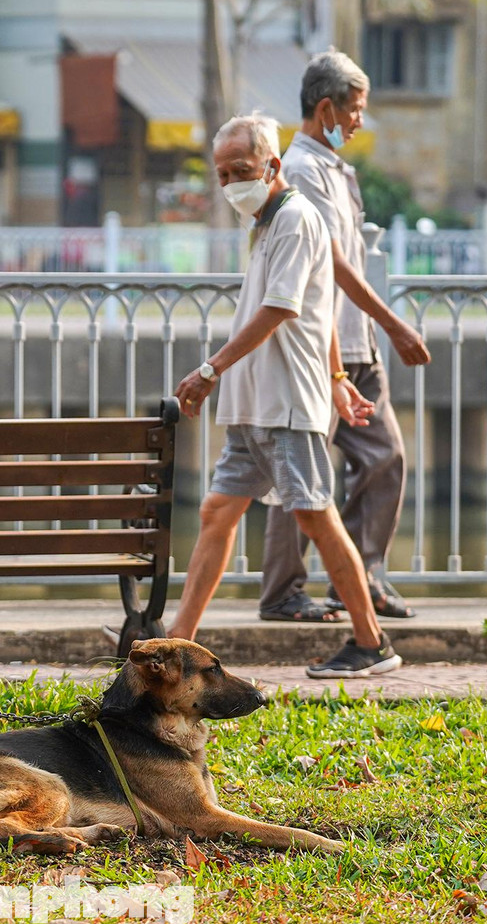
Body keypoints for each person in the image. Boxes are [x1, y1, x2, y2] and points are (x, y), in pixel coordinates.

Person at [168, 112, 402, 679]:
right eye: (222, 175)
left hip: (286, 406)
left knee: (316, 518)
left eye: (241, 170)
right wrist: (341, 381)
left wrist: (210, 368)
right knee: (217, 512)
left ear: (272, 165)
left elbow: (284, 308)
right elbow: (321, 314)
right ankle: (176, 646)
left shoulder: (295, 218)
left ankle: (372, 644)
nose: (231, 184)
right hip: (255, 408)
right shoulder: (269, 224)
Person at [257, 51, 432, 627]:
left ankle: (360, 578)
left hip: (356, 347)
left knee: (384, 457)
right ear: (326, 107)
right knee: (301, 473)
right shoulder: (303, 168)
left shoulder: (337, 168)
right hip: (320, 346)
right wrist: (394, 322)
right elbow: (335, 265)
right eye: (354, 110)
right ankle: (284, 591)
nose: (359, 121)